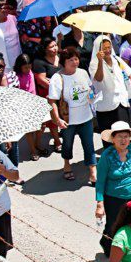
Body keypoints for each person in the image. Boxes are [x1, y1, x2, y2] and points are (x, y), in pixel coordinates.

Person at [95, 121, 131, 257]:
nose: (123, 140)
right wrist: (100, 203)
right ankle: (109, 247)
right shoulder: (107, 156)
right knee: (113, 226)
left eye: (126, 136)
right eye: (120, 136)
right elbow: (100, 181)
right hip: (114, 199)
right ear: (113, 139)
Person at [48, 47, 97, 184]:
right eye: (71, 60)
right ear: (64, 62)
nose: (75, 62)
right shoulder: (57, 78)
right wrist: (57, 119)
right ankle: (67, 164)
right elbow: (52, 101)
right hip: (68, 120)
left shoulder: (82, 72)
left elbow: (90, 89)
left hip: (86, 117)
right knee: (67, 144)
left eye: (76, 59)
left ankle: (93, 172)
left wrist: (93, 97)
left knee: (89, 145)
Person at [90, 34, 131, 130]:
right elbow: (99, 78)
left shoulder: (117, 59)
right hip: (106, 106)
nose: (107, 51)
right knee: (110, 135)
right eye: (104, 49)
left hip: (122, 102)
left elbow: (129, 74)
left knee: (124, 132)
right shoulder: (94, 63)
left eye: (109, 47)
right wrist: (100, 62)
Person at [12, 54, 43, 161]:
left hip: (35, 103)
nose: (28, 69)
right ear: (20, 66)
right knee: (29, 130)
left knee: (41, 126)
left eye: (30, 66)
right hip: (24, 105)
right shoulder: (15, 76)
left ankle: (37, 145)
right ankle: (33, 150)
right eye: (25, 67)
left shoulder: (30, 72)